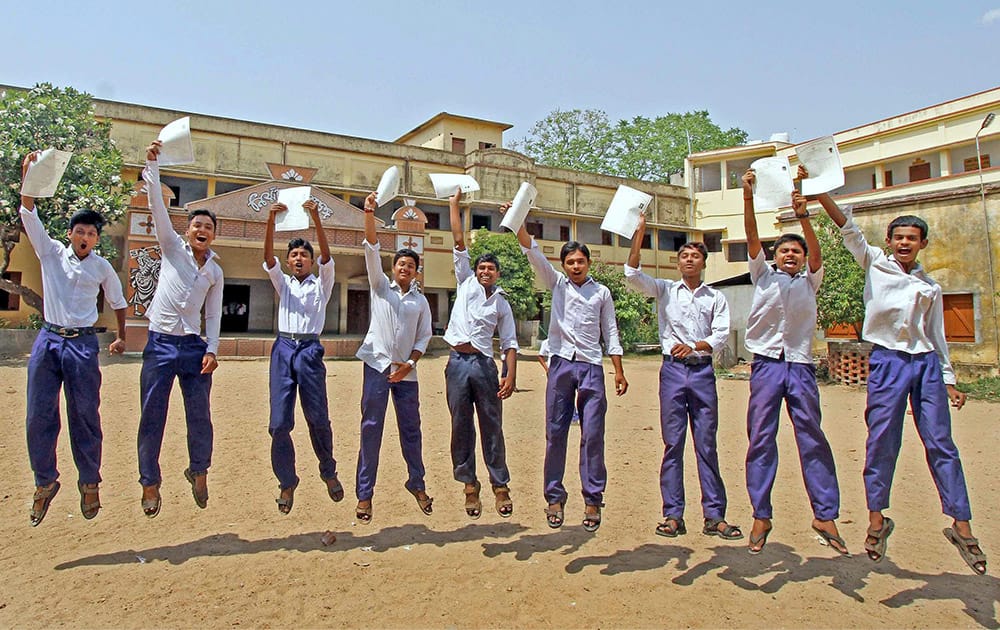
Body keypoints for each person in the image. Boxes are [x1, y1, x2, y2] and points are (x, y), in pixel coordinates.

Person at [817, 190, 987, 575]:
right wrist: (820, 191)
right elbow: (846, 227)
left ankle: (962, 526)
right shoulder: (875, 262)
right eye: (899, 237)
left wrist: (949, 379)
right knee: (881, 441)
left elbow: (937, 336)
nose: (905, 243)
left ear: (922, 243)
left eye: (913, 238)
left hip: (925, 364)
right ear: (890, 242)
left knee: (941, 443)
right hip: (888, 362)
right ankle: (877, 520)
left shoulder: (930, 287)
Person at [19, 150, 128, 526]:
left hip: (82, 345)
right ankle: (45, 482)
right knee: (38, 415)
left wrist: (120, 338)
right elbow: (29, 213)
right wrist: (29, 180)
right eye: (79, 231)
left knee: (84, 414)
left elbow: (118, 302)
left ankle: (90, 481)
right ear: (70, 235)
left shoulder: (101, 267)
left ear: (97, 239)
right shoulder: (50, 253)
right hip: (48, 341)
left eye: (91, 233)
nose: (85, 237)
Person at [741, 167, 847, 555]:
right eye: (784, 250)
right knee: (762, 438)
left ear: (803, 258)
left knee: (811, 438)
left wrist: (803, 215)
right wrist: (748, 196)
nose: (790, 254)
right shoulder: (762, 276)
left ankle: (824, 513)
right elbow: (751, 235)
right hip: (767, 365)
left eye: (796, 251)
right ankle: (760, 513)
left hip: (800, 366)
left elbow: (818, 253)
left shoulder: (810, 280)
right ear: (774, 255)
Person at [625, 215, 742, 542]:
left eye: (695, 255)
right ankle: (673, 514)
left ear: (704, 262)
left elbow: (720, 335)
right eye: (683, 256)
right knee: (673, 444)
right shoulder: (665, 290)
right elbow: (632, 274)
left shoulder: (715, 297)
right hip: (673, 373)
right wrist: (640, 234)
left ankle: (714, 515)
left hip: (702, 371)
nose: (689, 259)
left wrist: (693, 346)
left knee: (707, 445)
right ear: (677, 263)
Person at [513, 218, 628, 532]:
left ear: (589, 263)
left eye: (580, 261)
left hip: (591, 366)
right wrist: (519, 220)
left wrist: (617, 370)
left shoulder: (602, 293)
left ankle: (593, 498)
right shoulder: (557, 284)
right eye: (570, 262)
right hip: (561, 364)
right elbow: (533, 252)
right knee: (556, 433)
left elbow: (611, 332)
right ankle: (554, 496)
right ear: (562, 265)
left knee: (592, 434)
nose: (576, 266)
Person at [138, 140, 224, 517]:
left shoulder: (215, 271)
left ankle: (198, 470)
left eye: (207, 227)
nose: (201, 230)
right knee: (152, 414)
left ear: (213, 235)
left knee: (199, 414)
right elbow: (157, 208)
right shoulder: (172, 247)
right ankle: (150, 483)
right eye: (196, 225)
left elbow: (215, 315)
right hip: (159, 344)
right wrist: (152, 166)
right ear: (187, 231)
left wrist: (213, 350)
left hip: (193, 347)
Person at [354, 191, 433, 523]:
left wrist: (410, 365)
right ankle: (364, 495)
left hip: (407, 376)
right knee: (371, 428)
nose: (405, 268)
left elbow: (424, 338)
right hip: (377, 367)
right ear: (393, 267)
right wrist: (369, 213)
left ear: (416, 272)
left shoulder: (421, 303)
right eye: (401, 264)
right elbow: (371, 248)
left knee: (411, 430)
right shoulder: (380, 287)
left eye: (411, 266)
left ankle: (417, 483)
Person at [263, 199, 344, 514]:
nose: (299, 258)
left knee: (318, 417)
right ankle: (287, 480)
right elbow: (267, 257)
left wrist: (315, 217)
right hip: (283, 349)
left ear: (311, 261)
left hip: (310, 350)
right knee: (279, 423)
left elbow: (327, 255)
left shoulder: (321, 284)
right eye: (294, 254)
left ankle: (328, 471)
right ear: (288, 262)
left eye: (304, 255)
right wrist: (271, 221)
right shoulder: (283, 284)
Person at [445, 190, 518, 519]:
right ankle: (469, 486)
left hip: (485, 366)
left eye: (491, 268)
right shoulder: (465, 284)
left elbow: (510, 343)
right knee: (461, 425)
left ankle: (500, 485)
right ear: (473, 271)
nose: (486, 271)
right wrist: (453, 205)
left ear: (497, 274)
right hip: (458, 364)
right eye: (481, 267)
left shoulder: (501, 303)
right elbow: (459, 238)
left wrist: (510, 374)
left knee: (492, 425)